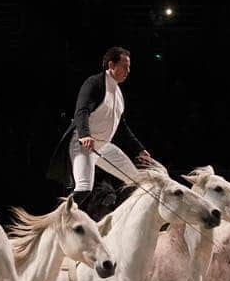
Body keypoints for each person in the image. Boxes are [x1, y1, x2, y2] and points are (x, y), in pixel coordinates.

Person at [46, 46, 154, 206]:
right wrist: (84, 135)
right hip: (83, 144)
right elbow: (81, 111)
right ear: (111, 65)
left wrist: (139, 148)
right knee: (84, 188)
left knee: (137, 181)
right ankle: (55, 221)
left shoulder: (118, 93)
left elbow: (122, 127)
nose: (128, 70)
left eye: (129, 66)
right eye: (125, 66)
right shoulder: (94, 83)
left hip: (103, 146)